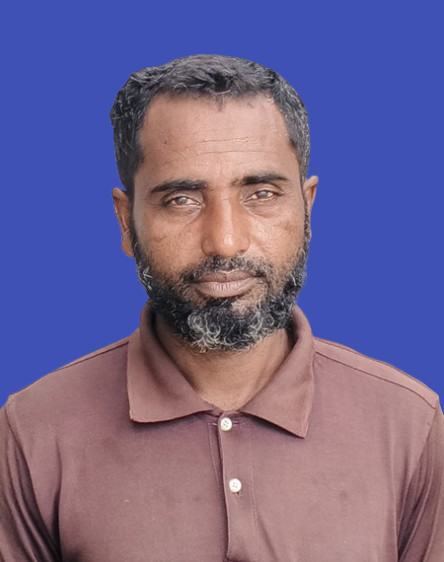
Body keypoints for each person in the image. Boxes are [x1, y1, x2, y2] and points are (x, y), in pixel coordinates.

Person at [1, 54, 443, 561]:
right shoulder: (33, 432)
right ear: (126, 221)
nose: (226, 242)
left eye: (261, 193)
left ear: (307, 208)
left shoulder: (410, 425)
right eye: (181, 200)